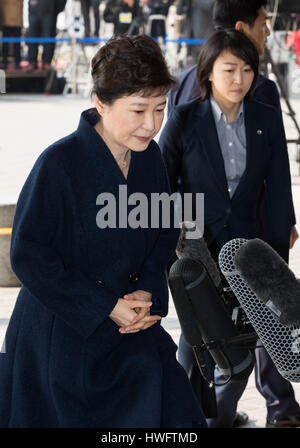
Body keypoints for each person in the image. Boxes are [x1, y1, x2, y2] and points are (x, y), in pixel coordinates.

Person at [0, 34, 207, 428]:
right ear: (100, 103)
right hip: (64, 334)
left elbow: (162, 233)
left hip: (131, 325)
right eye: (138, 110)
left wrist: (147, 290)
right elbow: (28, 257)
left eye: (160, 108)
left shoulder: (151, 160)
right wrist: (104, 306)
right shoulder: (58, 164)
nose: (151, 124)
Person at [166, 0, 300, 428]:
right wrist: (181, 242)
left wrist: (274, 256)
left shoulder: (265, 117)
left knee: (249, 339)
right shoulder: (185, 119)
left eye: (246, 70)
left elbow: (278, 185)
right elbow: (166, 183)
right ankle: (187, 419)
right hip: (198, 251)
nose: (239, 79)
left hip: (249, 250)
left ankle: (220, 418)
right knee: (197, 340)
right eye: (229, 70)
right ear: (208, 72)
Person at [25, 0, 66, 71]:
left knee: (49, 38)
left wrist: (56, 9)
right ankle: (32, 62)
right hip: (33, 9)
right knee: (32, 38)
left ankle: (47, 62)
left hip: (49, 11)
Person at [176, 0, 214, 65]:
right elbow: (179, 11)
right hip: (191, 38)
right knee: (194, 67)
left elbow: (210, 5)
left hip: (205, 37)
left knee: (206, 64)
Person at [0, 0, 23, 71]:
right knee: (5, 44)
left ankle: (17, 62)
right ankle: (4, 61)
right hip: (5, 18)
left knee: (16, 44)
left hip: (16, 19)